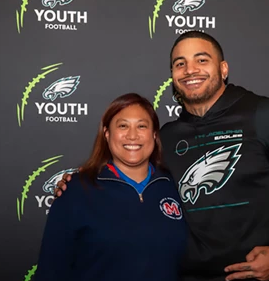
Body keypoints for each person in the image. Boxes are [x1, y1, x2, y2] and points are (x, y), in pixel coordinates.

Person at [56, 31, 269, 281]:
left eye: (201, 60)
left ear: (224, 68)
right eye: (180, 64)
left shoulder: (266, 115)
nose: (190, 70)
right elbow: (131, 179)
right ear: (173, 75)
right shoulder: (165, 137)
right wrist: (79, 184)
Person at [35, 93, 187, 281]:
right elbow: (50, 271)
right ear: (107, 134)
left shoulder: (173, 185)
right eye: (123, 126)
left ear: (154, 134)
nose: (132, 135)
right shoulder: (75, 191)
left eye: (142, 126)